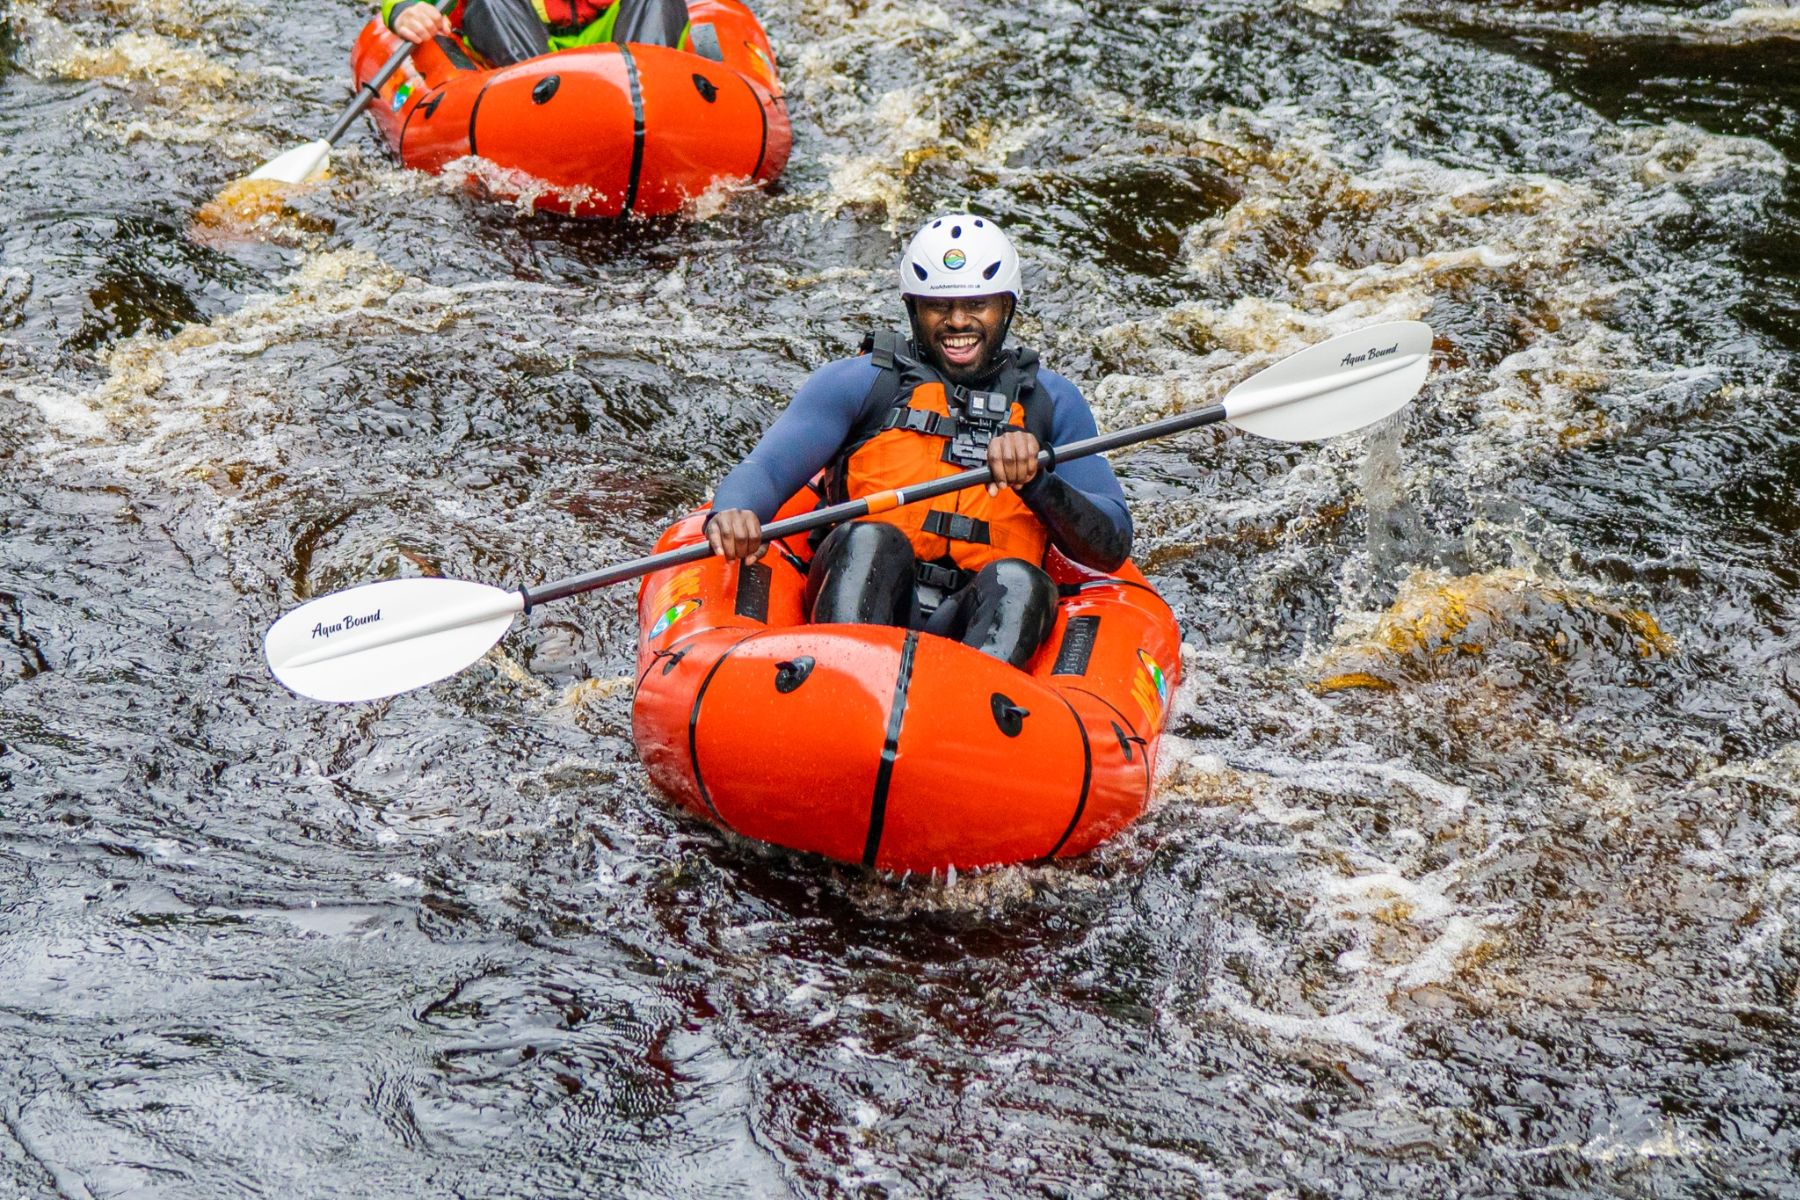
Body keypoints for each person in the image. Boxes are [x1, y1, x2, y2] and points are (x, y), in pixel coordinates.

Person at [705, 214, 1133, 669]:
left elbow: (1109, 544)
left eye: (978, 305)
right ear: (914, 309)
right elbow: (767, 470)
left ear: (1006, 307)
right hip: (865, 604)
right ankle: (842, 682)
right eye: (938, 306)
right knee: (872, 539)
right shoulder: (863, 382)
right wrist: (735, 510)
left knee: (1020, 581)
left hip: (977, 623)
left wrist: (1038, 480)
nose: (957, 322)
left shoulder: (1052, 403)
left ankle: (975, 713)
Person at [383, 0, 688, 69]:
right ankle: (542, 108)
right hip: (526, 50)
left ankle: (655, 102)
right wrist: (405, 10)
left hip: (615, 40)